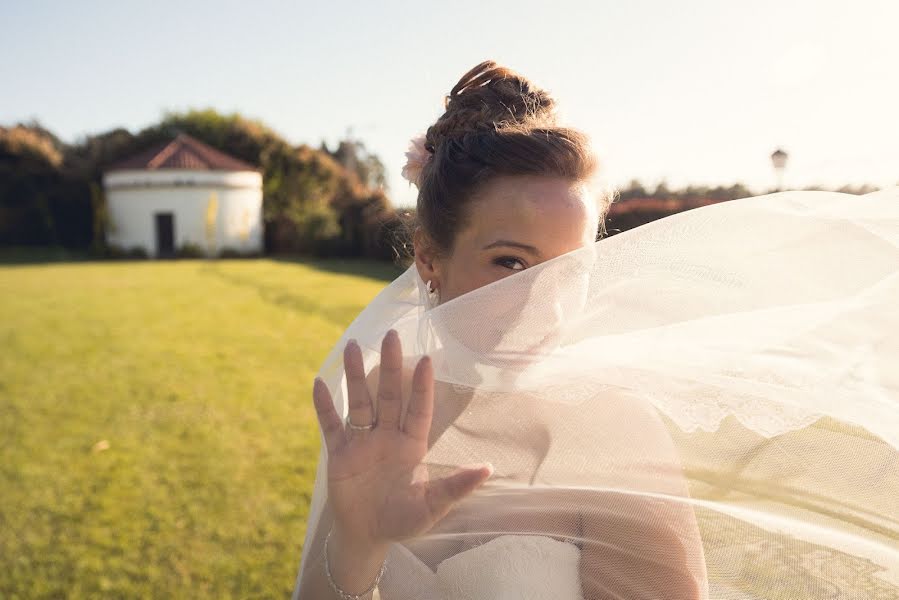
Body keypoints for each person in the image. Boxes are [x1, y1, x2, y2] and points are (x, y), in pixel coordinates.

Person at [292, 61, 899, 599]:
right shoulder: (381, 400)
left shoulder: (611, 428)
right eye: (511, 263)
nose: (543, 304)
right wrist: (356, 548)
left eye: (570, 268)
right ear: (429, 258)